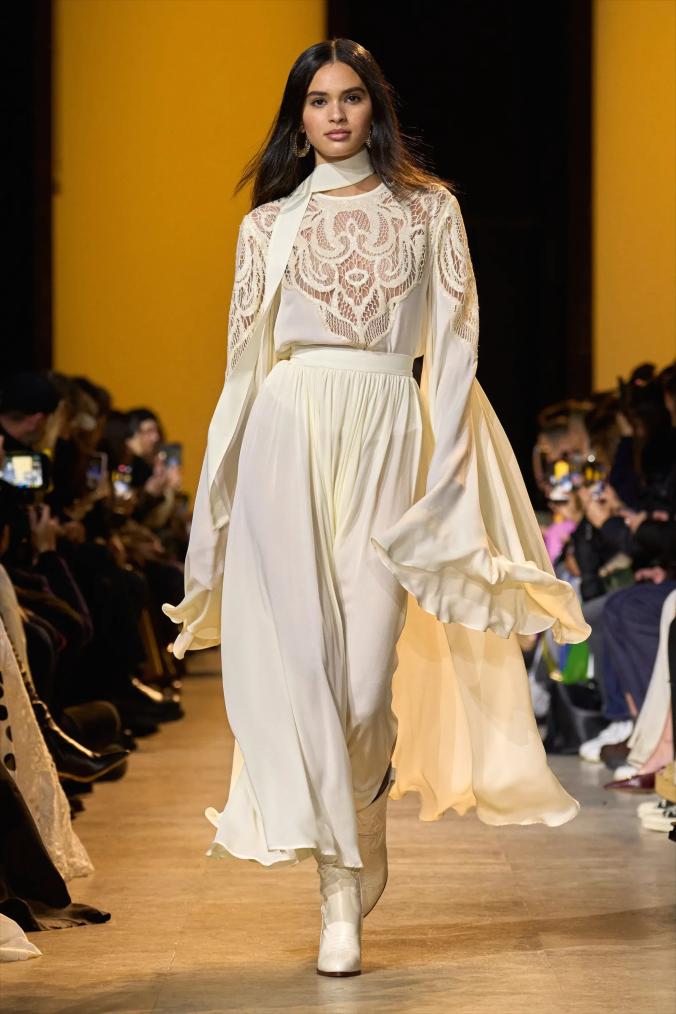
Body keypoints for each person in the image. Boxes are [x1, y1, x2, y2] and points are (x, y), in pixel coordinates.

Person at [163, 38, 590, 977]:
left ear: (375, 108)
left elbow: (457, 347)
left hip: (392, 431)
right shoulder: (267, 227)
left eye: (351, 97)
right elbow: (243, 366)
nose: (336, 114)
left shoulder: (430, 211)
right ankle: (338, 889)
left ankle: (368, 800)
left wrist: (446, 476)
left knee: (363, 687)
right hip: (288, 436)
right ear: (299, 118)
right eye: (318, 100)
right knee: (306, 667)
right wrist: (215, 510)